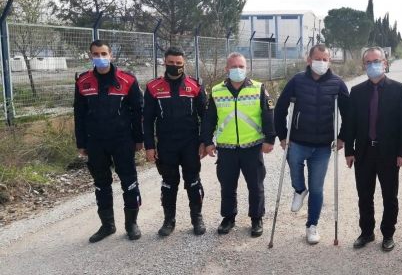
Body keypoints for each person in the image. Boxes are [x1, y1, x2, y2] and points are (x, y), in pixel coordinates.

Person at [274, 44, 349, 245]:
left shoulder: (337, 83)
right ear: (309, 60)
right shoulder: (297, 81)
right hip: (298, 140)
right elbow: (280, 108)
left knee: (317, 188)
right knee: (294, 165)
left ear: (330, 61)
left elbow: (349, 114)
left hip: (323, 145)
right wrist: (282, 135)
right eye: (318, 59)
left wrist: (342, 137)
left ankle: (311, 226)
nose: (321, 63)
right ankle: (299, 189)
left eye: (325, 59)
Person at [74, 39, 144, 243]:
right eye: (96, 54)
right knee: (101, 184)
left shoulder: (127, 80)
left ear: (111, 55)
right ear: (90, 56)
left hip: (122, 140)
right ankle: (107, 225)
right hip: (95, 142)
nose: (100, 58)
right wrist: (81, 143)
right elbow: (79, 113)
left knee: (129, 182)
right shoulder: (83, 81)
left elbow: (138, 111)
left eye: (103, 54)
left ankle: (131, 224)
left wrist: (139, 139)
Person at [200, 52, 275, 238]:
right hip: (226, 148)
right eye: (233, 66)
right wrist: (208, 142)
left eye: (241, 66)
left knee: (255, 186)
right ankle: (228, 218)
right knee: (227, 186)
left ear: (246, 68)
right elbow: (209, 120)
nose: (237, 70)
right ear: (226, 69)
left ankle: (256, 218)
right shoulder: (217, 91)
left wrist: (270, 139)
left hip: (252, 146)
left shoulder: (258, 88)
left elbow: (268, 115)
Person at [344, 47, 402, 252]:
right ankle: (366, 232)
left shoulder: (398, 89)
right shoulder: (356, 91)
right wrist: (349, 150)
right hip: (364, 152)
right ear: (364, 65)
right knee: (364, 195)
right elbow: (350, 124)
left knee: (390, 196)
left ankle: (388, 234)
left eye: (377, 61)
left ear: (385, 62)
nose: (373, 65)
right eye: (369, 62)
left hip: (389, 154)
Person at [143, 47, 207, 237]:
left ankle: (197, 218)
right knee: (168, 183)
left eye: (178, 63)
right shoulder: (153, 87)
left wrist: (204, 142)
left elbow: (205, 117)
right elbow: (146, 120)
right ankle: (169, 220)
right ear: (164, 62)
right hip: (166, 145)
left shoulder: (195, 85)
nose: (175, 66)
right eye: (171, 63)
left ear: (184, 64)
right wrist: (149, 146)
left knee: (193, 182)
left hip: (190, 143)